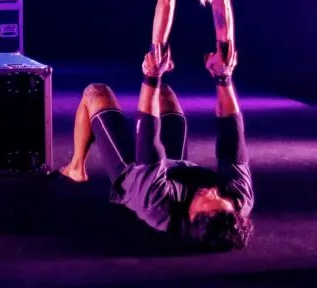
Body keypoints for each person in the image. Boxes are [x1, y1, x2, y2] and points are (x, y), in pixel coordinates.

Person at [58, 50, 253, 252]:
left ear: (193, 215)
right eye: (224, 199)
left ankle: (76, 168)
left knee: (96, 92)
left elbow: (147, 138)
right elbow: (232, 139)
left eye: (212, 200)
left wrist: (151, 76)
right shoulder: (238, 198)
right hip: (175, 169)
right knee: (165, 94)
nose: (215, 192)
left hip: (135, 172)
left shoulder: (158, 205)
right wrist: (223, 77)